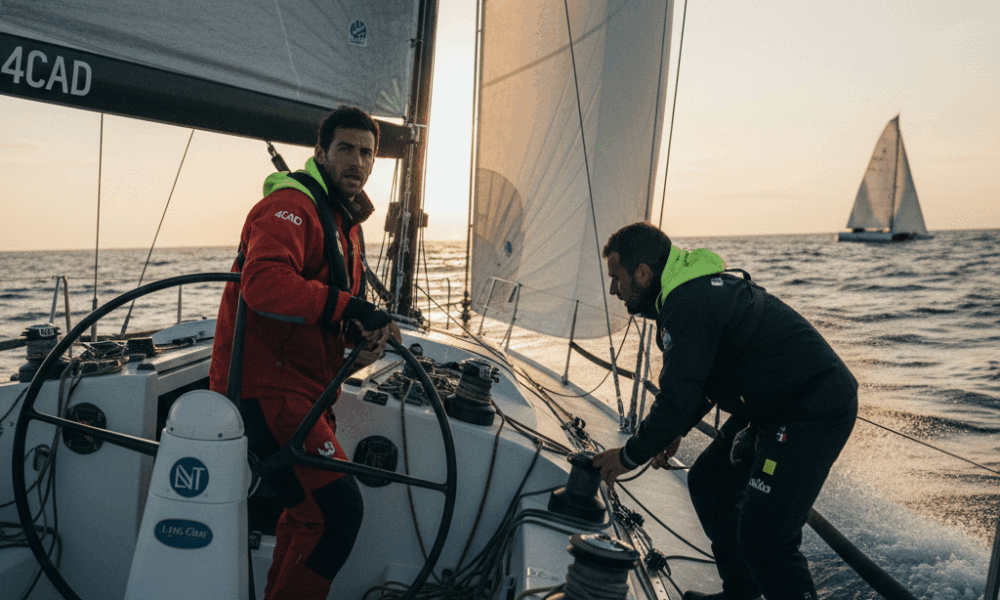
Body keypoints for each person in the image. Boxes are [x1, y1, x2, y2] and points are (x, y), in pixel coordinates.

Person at [592, 222, 857, 600]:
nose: (613, 289)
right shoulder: (686, 294)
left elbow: (676, 399)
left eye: (617, 278)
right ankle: (741, 595)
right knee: (710, 483)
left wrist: (627, 456)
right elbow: (700, 379)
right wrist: (674, 428)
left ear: (643, 273)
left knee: (766, 538)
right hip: (772, 404)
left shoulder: (688, 305)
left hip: (812, 408)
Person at [209, 105, 399, 600]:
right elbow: (265, 286)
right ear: (320, 152)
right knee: (338, 514)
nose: (356, 161)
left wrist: (361, 342)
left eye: (366, 153)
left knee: (305, 515)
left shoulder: (345, 225)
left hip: (307, 393)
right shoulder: (290, 206)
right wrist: (350, 304)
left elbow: (326, 315)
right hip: (266, 390)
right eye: (345, 149)